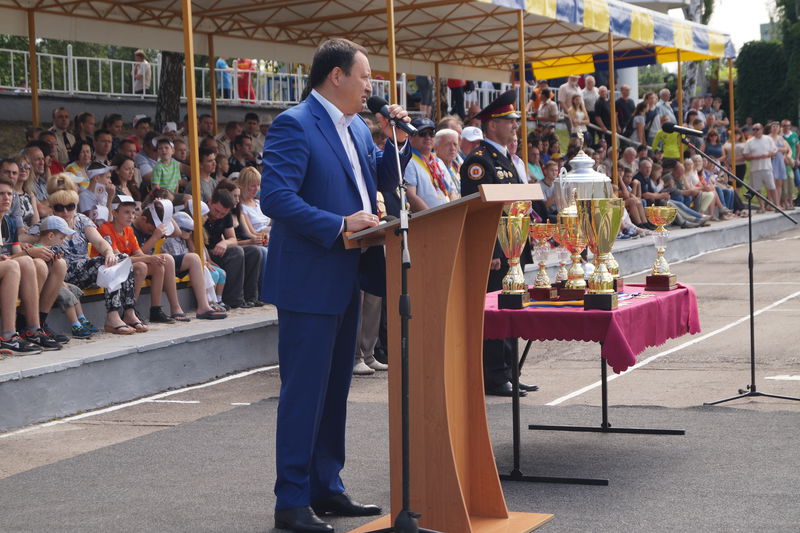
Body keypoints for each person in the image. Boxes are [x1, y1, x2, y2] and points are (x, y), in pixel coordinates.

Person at [260, 38, 411, 531]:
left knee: (336, 390)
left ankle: (327, 487)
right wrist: (340, 223)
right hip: (308, 278)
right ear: (336, 77)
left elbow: (382, 182)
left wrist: (397, 142)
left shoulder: (359, 132)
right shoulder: (295, 124)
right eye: (366, 76)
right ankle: (292, 501)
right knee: (304, 391)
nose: (372, 85)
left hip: (349, 275)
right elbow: (275, 199)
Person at [459, 90, 536, 398]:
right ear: (492, 125)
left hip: (513, 248)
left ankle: (509, 372)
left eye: (515, 120)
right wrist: (488, 253)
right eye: (508, 120)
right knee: (493, 313)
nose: (514, 125)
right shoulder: (479, 162)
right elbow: (478, 213)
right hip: (494, 250)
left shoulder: (506, 159)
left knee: (510, 310)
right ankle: (494, 376)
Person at [0, 176, 65, 351]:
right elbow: (12, 261)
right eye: (1, 194)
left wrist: (34, 253)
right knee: (20, 262)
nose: (6, 198)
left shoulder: (9, 222)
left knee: (40, 263)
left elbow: (13, 256)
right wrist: (28, 252)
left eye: (9, 194)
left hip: (7, 270)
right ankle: (7, 335)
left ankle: (33, 328)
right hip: (7, 269)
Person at [405, 117, 454, 211]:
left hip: (447, 217)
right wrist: (433, 218)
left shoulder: (438, 161)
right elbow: (411, 196)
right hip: (429, 221)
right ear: (410, 136)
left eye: (431, 134)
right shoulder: (408, 161)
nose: (428, 137)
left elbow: (452, 191)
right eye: (422, 134)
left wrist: (454, 211)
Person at [743, 123, 779, 210]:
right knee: (757, 189)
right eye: (753, 129)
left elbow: (775, 152)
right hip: (755, 169)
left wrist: (766, 155)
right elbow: (745, 155)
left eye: (757, 129)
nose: (755, 131)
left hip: (767, 167)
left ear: (762, 130)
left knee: (772, 187)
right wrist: (756, 157)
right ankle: (762, 207)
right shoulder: (749, 141)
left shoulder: (768, 139)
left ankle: (777, 205)